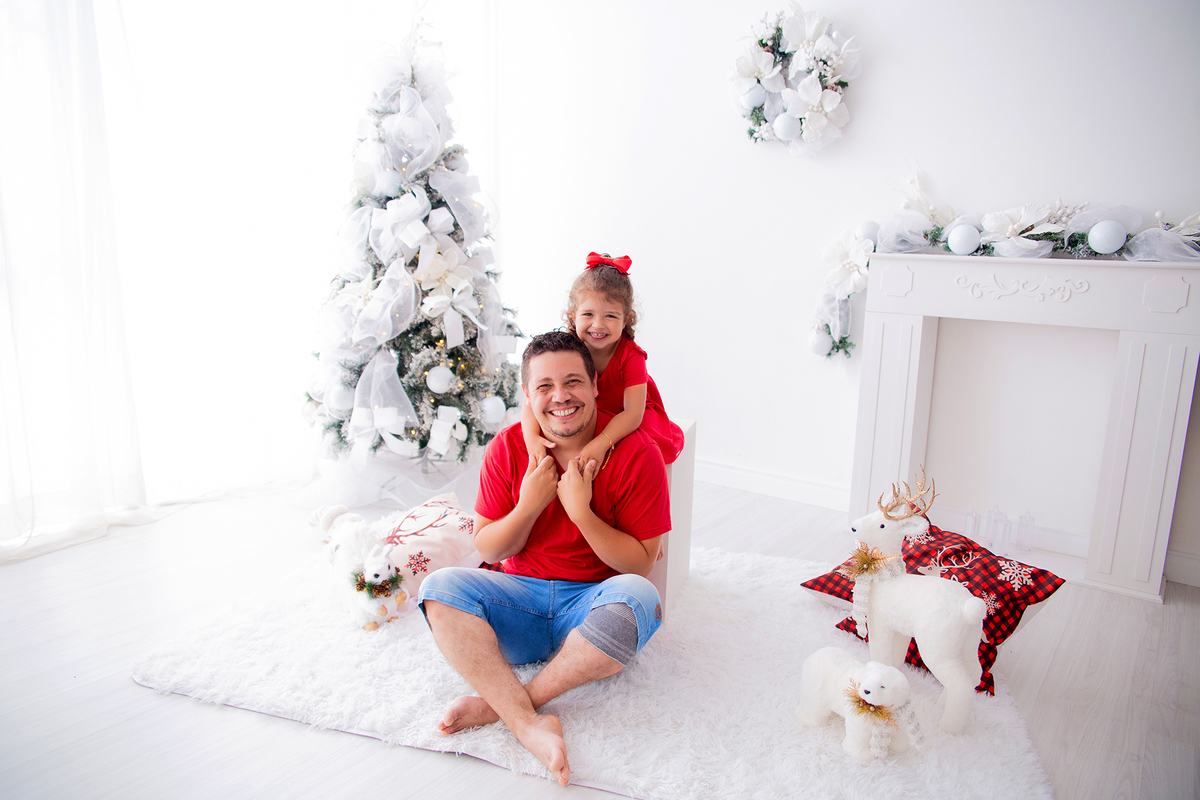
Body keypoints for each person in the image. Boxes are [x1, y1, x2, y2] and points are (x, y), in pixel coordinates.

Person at [418, 331, 671, 787]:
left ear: (595, 385)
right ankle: (527, 723)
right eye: (545, 387)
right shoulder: (509, 448)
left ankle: (508, 705)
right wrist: (529, 505)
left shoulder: (637, 453)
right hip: (518, 605)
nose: (560, 397)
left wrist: (580, 511)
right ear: (528, 395)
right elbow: (491, 549)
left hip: (591, 607)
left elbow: (638, 565)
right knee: (438, 588)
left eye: (573, 381)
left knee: (639, 597)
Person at [521, 251, 684, 470]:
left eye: (610, 316)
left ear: (626, 319)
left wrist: (601, 442)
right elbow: (531, 397)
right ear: (572, 315)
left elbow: (633, 414)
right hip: (585, 408)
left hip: (624, 412)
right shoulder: (568, 349)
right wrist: (531, 437)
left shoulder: (631, 356)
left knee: (634, 449)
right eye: (588, 314)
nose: (598, 325)